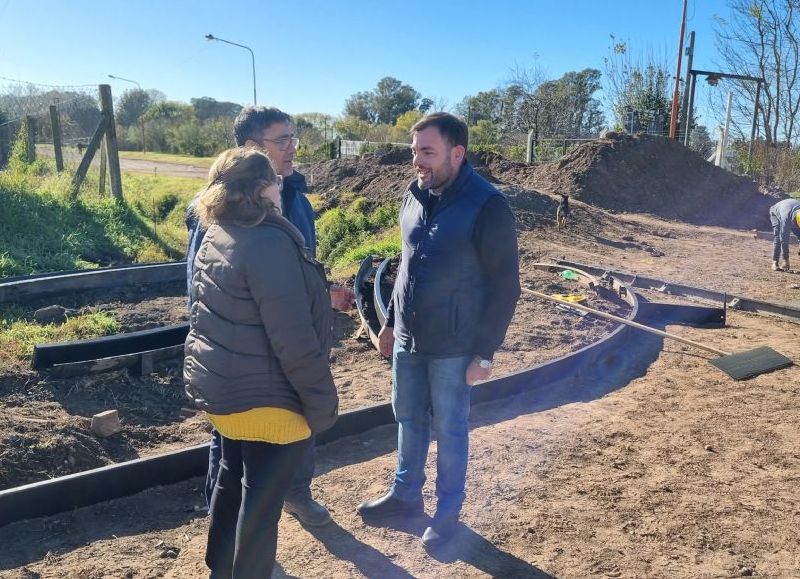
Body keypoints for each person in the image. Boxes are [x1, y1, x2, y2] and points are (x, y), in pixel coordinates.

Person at [356, 112, 520, 548]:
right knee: (408, 418)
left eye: (427, 152)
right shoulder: (414, 193)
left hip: (454, 344)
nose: (417, 162)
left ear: (457, 153)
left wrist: (485, 353)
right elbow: (406, 265)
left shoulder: (488, 205)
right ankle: (405, 496)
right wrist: (390, 322)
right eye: (415, 152)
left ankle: (448, 512)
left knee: (450, 428)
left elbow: (506, 286)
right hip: (408, 338)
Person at [185, 106, 353, 526]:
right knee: (233, 460)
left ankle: (296, 493)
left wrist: (322, 292)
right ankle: (237, 538)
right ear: (251, 148)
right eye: (283, 140)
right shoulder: (213, 208)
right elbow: (202, 287)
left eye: (293, 138)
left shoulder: (295, 197)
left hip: (289, 349)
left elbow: (296, 269)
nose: (294, 147)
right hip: (246, 365)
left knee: (295, 434)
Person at [768, 198, 800, 271]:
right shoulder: (786, 218)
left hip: (791, 210)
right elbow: (784, 238)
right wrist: (786, 259)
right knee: (779, 237)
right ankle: (775, 262)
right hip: (776, 211)